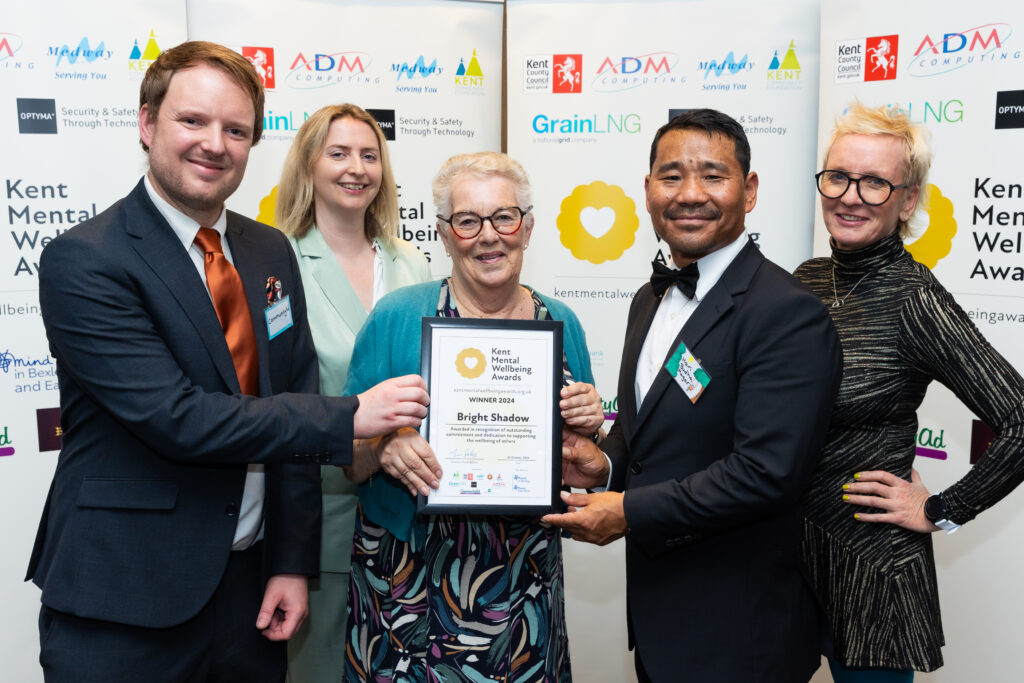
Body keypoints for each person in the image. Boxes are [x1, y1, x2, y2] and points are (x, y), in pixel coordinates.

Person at [25, 41, 428, 683]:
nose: (215, 144)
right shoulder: (88, 260)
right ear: (147, 122)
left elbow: (288, 395)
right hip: (126, 598)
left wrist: (290, 562)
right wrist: (351, 414)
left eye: (236, 130)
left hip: (250, 596)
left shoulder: (267, 250)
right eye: (194, 121)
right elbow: (177, 417)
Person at [542, 109, 843, 683]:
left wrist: (628, 510)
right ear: (648, 190)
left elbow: (766, 473)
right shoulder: (647, 300)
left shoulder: (786, 312)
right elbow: (653, 434)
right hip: (661, 620)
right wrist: (604, 465)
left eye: (713, 175)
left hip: (741, 633)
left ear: (749, 191)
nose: (690, 194)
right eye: (672, 176)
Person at [341, 152, 605, 682]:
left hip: (524, 582)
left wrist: (590, 446)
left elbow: (581, 463)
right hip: (406, 585)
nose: (489, 236)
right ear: (443, 233)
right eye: (467, 221)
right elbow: (345, 458)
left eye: (504, 217)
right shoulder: (396, 318)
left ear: (527, 228)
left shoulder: (563, 322)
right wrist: (381, 447)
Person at [795, 102, 1024, 682]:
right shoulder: (806, 280)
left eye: (875, 182)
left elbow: (1020, 419)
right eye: (839, 177)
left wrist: (942, 509)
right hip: (787, 562)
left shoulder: (915, 299)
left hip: (873, 572)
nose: (850, 196)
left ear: (909, 200)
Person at [275, 103, 430, 683]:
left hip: (413, 525)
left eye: (369, 155)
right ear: (309, 166)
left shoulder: (411, 262)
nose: (356, 168)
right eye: (338, 153)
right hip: (323, 529)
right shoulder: (279, 261)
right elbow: (277, 400)